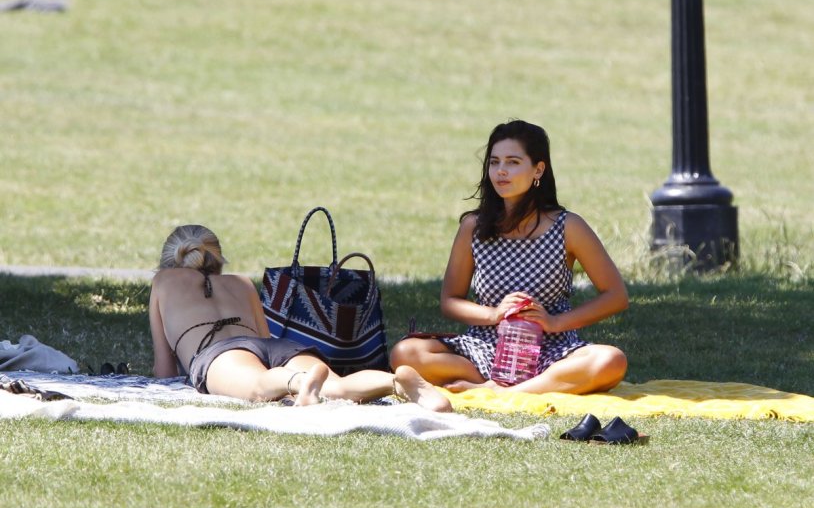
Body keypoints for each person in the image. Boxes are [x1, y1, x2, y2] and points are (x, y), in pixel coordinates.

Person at [390, 120, 629, 395]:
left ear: (538, 169)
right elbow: (450, 301)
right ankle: (506, 384)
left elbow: (616, 296)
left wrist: (554, 323)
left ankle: (502, 392)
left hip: (551, 351)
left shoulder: (568, 226)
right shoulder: (474, 226)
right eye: (494, 162)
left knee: (612, 360)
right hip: (485, 348)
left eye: (513, 162)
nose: (501, 171)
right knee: (404, 353)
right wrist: (493, 314)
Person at [150, 224, 451, 411]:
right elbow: (265, 338)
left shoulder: (163, 282)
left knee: (258, 386)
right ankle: (394, 382)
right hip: (277, 347)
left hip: (219, 355)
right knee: (337, 387)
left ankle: (299, 384)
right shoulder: (241, 282)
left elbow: (164, 368)